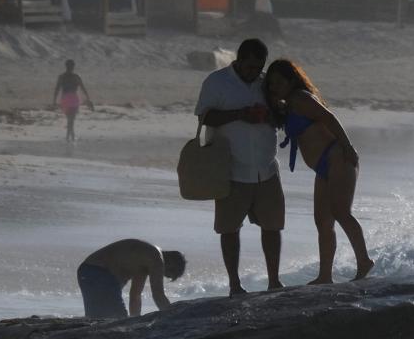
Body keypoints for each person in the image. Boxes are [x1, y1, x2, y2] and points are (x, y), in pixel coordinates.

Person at [264, 58, 374, 285]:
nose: (275, 86)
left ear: (291, 80)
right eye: (271, 83)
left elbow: (329, 118)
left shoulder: (301, 98)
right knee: (323, 222)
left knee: (341, 212)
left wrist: (347, 146)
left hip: (338, 158)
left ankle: (364, 261)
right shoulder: (290, 103)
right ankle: (325, 276)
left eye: (279, 82)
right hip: (324, 167)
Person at [194, 37, 283, 296]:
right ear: (239, 60)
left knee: (273, 226)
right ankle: (234, 284)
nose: (253, 72)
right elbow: (204, 116)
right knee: (229, 229)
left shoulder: (267, 84)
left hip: (266, 168)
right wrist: (240, 114)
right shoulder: (217, 82)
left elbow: (282, 116)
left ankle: (274, 281)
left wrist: (269, 115)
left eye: (258, 67)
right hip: (230, 169)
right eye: (250, 67)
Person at [76, 239, 184, 318]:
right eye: (167, 274)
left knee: (97, 318)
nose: (162, 275)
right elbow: (158, 295)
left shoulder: (145, 260)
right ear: (171, 263)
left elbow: (135, 296)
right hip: (99, 274)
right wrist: (173, 318)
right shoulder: (156, 258)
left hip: (86, 272)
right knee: (116, 319)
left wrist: (134, 320)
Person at [52, 59, 93, 144]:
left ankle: (69, 136)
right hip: (74, 99)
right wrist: (88, 99)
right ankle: (71, 136)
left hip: (65, 99)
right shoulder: (76, 77)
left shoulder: (61, 76)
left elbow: (57, 89)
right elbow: (83, 88)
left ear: (65, 66)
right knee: (72, 119)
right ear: (73, 67)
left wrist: (54, 101)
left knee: (69, 119)